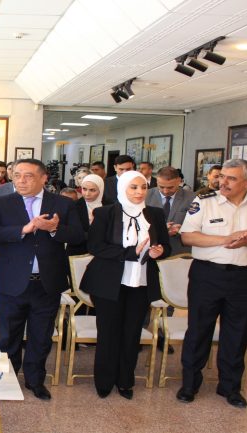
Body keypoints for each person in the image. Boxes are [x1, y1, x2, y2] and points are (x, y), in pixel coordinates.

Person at [177, 159, 247, 408]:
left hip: (244, 277)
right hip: (207, 275)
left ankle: (230, 387)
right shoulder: (204, 202)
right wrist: (225, 239)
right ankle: (190, 384)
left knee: (237, 332)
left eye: (231, 178)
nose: (223, 182)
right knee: (198, 330)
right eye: (222, 176)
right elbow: (188, 237)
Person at [0, 159, 83, 401]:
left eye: (28, 176)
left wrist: (54, 229)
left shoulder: (62, 203)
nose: (21, 180)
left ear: (43, 178)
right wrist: (23, 229)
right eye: (17, 175)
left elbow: (79, 235)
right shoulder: (1, 202)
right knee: (8, 335)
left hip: (46, 282)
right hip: (11, 281)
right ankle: (7, 377)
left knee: (41, 336)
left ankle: (35, 380)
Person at [80, 170, 170, 400]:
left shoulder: (155, 214)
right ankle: (104, 381)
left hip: (141, 283)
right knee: (108, 333)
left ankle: (125, 381)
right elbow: (95, 247)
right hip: (109, 283)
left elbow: (166, 246)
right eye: (134, 187)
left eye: (143, 187)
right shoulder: (105, 213)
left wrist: (159, 251)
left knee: (132, 334)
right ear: (123, 188)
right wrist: (131, 252)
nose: (140, 192)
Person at [144, 166, 196, 255]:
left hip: (180, 251)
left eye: (170, 187)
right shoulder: (145, 196)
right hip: (151, 250)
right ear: (157, 181)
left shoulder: (192, 198)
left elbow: (198, 225)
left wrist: (181, 229)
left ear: (179, 181)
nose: (165, 191)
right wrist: (162, 230)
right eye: (161, 187)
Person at [67, 174, 109, 256]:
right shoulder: (73, 207)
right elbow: (71, 233)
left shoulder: (110, 206)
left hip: (104, 253)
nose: (87, 194)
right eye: (84, 189)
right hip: (78, 252)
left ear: (100, 190)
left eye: (92, 190)